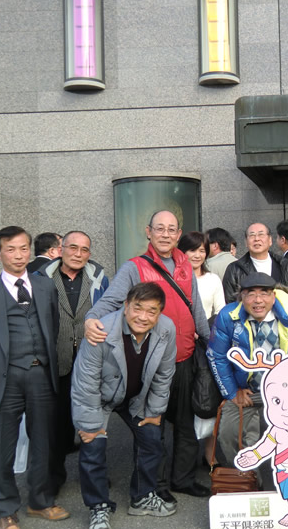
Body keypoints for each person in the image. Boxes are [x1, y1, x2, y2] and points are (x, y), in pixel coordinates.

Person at [84, 210, 211, 505]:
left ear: (178, 234)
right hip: (152, 361)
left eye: (171, 229)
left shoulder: (185, 265)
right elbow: (111, 300)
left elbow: (196, 308)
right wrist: (91, 318)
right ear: (148, 232)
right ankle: (156, 483)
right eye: (159, 229)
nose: (165, 234)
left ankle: (183, 479)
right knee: (152, 425)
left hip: (185, 356)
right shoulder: (134, 267)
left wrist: (210, 343)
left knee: (185, 423)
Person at [0, 226, 69, 529]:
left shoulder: (45, 287)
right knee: (2, 449)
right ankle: (4, 510)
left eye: (24, 248)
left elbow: (52, 326)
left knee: (43, 443)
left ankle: (40, 501)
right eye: (11, 249)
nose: (19, 255)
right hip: (5, 379)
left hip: (41, 375)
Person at [72, 282, 178, 529]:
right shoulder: (101, 330)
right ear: (126, 306)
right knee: (93, 444)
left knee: (152, 438)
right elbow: (85, 381)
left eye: (151, 311)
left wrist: (155, 410)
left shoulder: (166, 329)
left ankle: (142, 497)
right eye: (137, 308)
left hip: (136, 397)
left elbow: (164, 374)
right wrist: (89, 425)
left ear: (160, 313)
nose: (143, 317)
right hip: (101, 397)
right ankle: (98, 506)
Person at [207, 273, 288, 471]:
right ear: (242, 297)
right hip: (246, 390)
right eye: (250, 294)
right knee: (228, 433)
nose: (258, 300)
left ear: (273, 296)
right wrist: (232, 392)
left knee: (286, 437)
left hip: (286, 391)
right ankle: (245, 475)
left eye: (264, 293)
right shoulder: (228, 317)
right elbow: (217, 356)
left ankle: (277, 476)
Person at [39, 230, 110, 496]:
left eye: (84, 250)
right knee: (56, 425)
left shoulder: (99, 278)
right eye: (73, 248)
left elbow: (110, 312)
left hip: (90, 361)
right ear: (61, 249)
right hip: (56, 361)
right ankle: (54, 477)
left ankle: (95, 476)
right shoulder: (42, 278)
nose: (78, 254)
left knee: (93, 423)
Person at [222, 222, 288, 304]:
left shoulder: (286, 266)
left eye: (261, 234)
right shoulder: (234, 269)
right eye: (252, 235)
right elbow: (230, 303)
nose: (256, 239)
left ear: (270, 240)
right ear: (246, 242)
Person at [178, 231, 225, 326]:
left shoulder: (213, 279)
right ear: (183, 252)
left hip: (205, 330)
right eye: (192, 250)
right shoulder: (175, 279)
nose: (197, 255)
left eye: (202, 251)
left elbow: (221, 310)